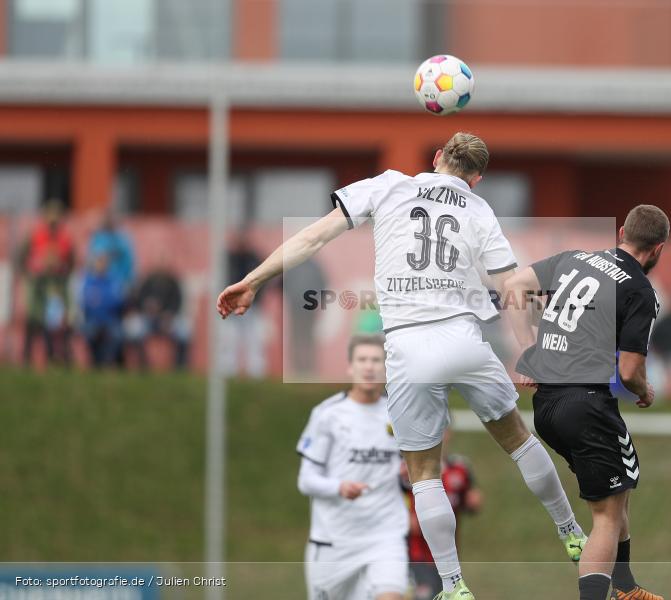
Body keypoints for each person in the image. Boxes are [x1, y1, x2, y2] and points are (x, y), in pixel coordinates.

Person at [218, 132, 585, 600]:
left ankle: (453, 586)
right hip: (464, 337)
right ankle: (571, 530)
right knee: (517, 439)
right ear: (477, 179)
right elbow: (512, 286)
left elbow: (312, 236)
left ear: (435, 160)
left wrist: (252, 280)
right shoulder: (479, 210)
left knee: (424, 472)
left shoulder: (389, 184)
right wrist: (529, 347)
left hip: (409, 347)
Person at [505, 204, 668, 600]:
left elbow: (514, 286)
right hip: (586, 405)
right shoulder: (640, 291)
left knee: (618, 488)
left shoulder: (575, 258)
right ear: (658, 249)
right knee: (606, 518)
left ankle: (626, 588)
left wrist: (530, 350)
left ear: (621, 234)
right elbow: (630, 372)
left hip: (547, 406)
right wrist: (645, 390)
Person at [297, 334, 408, 600]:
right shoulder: (328, 415)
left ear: (386, 367)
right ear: (350, 366)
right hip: (335, 540)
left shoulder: (400, 414)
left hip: (385, 535)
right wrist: (339, 487)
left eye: (376, 360)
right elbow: (306, 480)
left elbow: (413, 473)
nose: (369, 367)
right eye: (362, 360)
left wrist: (410, 476)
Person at [402, 428, 482, 600]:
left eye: (443, 429)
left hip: (448, 559)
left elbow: (472, 499)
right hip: (417, 557)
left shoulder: (459, 468)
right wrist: (406, 520)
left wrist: (471, 503)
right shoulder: (407, 471)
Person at [19, 200, 74, 367]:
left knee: (57, 322)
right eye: (50, 215)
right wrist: (32, 271)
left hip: (57, 283)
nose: (53, 219)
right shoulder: (35, 235)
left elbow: (71, 261)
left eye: (56, 215)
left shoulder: (65, 238)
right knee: (33, 319)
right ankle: (26, 359)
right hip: (38, 283)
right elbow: (22, 258)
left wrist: (61, 268)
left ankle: (61, 359)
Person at [125, 257, 191, 369]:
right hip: (148, 319)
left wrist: (169, 314)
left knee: (184, 331)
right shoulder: (147, 282)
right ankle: (143, 365)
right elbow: (138, 300)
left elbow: (178, 302)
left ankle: (180, 367)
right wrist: (147, 309)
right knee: (134, 330)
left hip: (168, 320)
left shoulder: (173, 283)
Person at [221, 226, 267, 377]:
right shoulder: (228, 258)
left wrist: (257, 299)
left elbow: (264, 280)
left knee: (254, 341)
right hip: (232, 306)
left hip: (252, 306)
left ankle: (256, 373)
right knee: (230, 340)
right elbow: (222, 280)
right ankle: (228, 372)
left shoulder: (254, 258)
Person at [79, 252, 125, 367]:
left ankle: (108, 362)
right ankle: (97, 362)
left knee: (117, 335)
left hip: (111, 318)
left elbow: (117, 301)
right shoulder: (89, 281)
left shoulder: (114, 280)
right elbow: (86, 302)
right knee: (90, 332)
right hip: (93, 319)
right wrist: (100, 302)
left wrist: (100, 301)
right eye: (99, 263)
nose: (101, 266)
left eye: (104, 263)